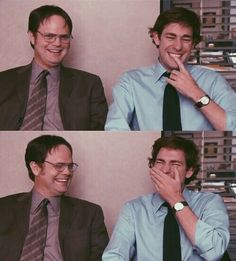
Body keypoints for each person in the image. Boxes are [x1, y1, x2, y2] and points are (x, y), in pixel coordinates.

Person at [105, 7, 236, 131]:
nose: (178, 47)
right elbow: (115, 128)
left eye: (186, 39)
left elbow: (232, 127)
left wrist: (195, 93)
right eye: (171, 37)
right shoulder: (130, 82)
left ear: (194, 44)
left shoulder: (213, 81)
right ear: (157, 38)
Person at [102, 136, 230, 260]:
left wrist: (175, 199)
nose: (165, 170)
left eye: (175, 164)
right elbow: (114, 255)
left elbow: (215, 251)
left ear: (189, 171)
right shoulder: (134, 209)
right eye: (160, 162)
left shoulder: (210, 203)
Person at [0, 135, 109, 260]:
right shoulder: (3, 208)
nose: (67, 172)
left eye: (70, 166)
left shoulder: (90, 214)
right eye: (59, 166)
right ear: (35, 168)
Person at [0, 5, 108, 130]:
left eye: (64, 37)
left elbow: (99, 132)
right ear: (32, 37)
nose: (57, 43)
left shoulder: (90, 84)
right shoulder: (3, 81)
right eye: (49, 36)